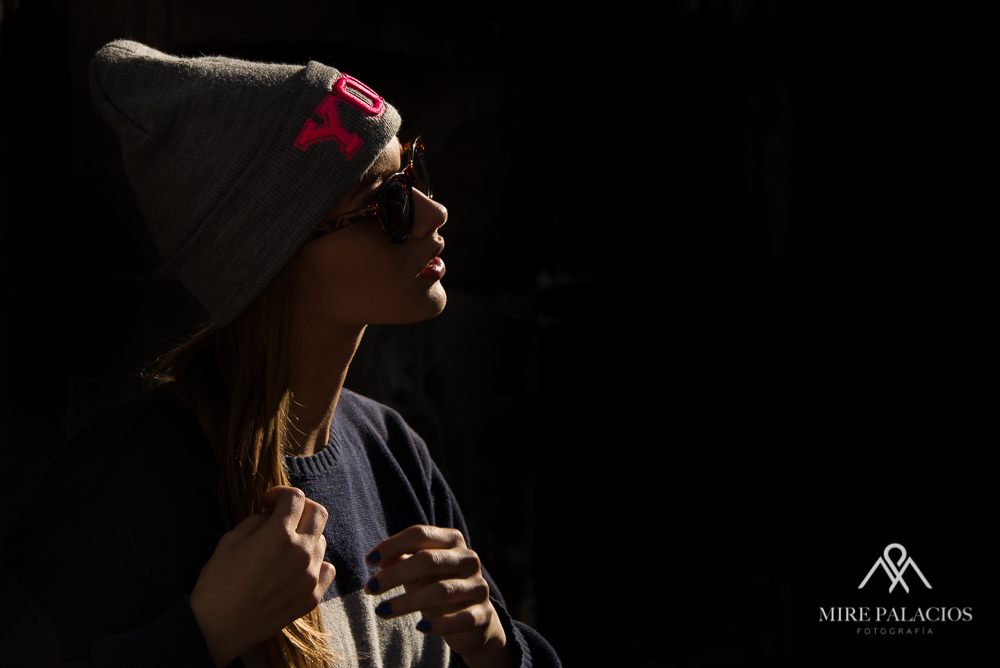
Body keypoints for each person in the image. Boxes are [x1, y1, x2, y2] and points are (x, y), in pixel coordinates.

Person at [0, 40, 561, 668]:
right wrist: (203, 634)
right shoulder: (124, 484)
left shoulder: (393, 452)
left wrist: (497, 647)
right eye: (389, 202)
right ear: (272, 258)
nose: (436, 211)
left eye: (415, 175)